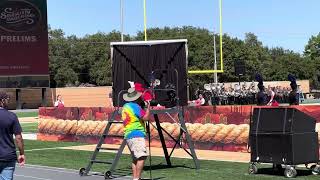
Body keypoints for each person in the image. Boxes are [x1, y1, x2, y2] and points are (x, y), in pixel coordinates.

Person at [122, 87, 150, 180]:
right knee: (142, 157)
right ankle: (137, 178)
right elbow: (145, 118)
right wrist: (148, 108)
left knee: (135, 159)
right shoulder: (135, 106)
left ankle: (135, 178)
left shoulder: (125, 106)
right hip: (137, 134)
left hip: (128, 134)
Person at [0, 91, 25, 180]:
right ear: (2, 101)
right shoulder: (12, 116)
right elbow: (18, 138)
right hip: (8, 156)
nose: (9, 101)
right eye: (8, 99)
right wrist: (22, 153)